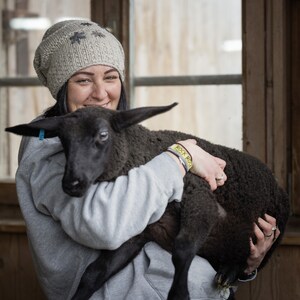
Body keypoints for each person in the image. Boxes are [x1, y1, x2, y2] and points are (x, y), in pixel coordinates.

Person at [15, 19, 280, 300]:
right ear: (61, 88)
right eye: (83, 80)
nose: (101, 93)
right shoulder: (55, 148)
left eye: (110, 77)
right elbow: (105, 226)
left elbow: (172, 224)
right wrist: (181, 157)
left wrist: (243, 265)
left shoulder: (120, 143)